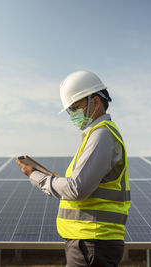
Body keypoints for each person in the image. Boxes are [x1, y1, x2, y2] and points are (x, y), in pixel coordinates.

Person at [17, 70, 130, 267]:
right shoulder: (97, 135)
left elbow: (76, 189)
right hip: (91, 242)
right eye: (70, 110)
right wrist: (54, 178)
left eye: (75, 107)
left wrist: (36, 176)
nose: (72, 114)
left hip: (92, 243)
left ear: (95, 102)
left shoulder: (101, 135)